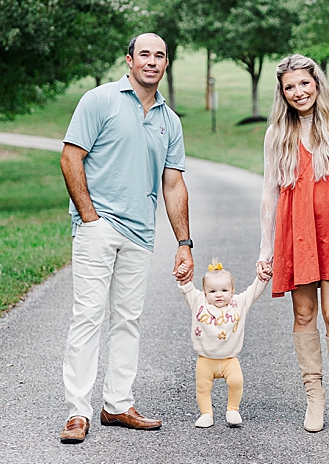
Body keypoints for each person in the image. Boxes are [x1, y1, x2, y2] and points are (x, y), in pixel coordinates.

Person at [59, 32, 196, 445]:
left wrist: (184, 242)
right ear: (129, 60)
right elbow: (70, 157)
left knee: (128, 320)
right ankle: (77, 412)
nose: (152, 61)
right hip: (98, 229)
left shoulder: (169, 121)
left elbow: (173, 184)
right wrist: (90, 216)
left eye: (160, 55)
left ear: (166, 64)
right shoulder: (100, 100)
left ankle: (117, 404)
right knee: (88, 316)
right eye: (145, 55)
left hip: (141, 234)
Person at [256, 54, 329, 435]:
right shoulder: (277, 133)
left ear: (317, 82)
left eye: (304, 83)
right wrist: (265, 249)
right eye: (289, 87)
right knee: (304, 314)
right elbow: (270, 193)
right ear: (282, 93)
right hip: (297, 229)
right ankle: (314, 397)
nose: (298, 92)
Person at [178, 261, 268, 428]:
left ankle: (232, 409)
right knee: (202, 388)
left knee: (236, 381)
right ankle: (206, 414)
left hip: (229, 359)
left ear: (232, 291)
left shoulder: (239, 304)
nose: (219, 295)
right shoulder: (199, 302)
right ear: (205, 293)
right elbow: (187, 287)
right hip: (205, 359)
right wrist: (183, 275)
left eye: (224, 290)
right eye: (212, 291)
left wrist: (263, 279)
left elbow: (253, 291)